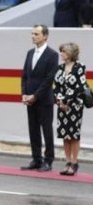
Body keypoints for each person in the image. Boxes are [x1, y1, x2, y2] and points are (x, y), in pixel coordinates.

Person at [21, 25, 58, 172]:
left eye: (36, 34)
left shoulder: (52, 55)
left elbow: (49, 80)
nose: (33, 36)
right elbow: (25, 76)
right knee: (33, 129)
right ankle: (36, 158)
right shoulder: (30, 53)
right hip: (30, 99)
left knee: (46, 130)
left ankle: (48, 160)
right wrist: (24, 93)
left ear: (45, 36)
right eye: (32, 33)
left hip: (44, 100)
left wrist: (35, 96)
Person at [53, 43, 86, 176]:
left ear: (71, 53)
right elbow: (56, 86)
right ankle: (67, 162)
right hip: (62, 106)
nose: (61, 54)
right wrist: (60, 101)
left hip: (75, 106)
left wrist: (67, 101)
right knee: (65, 135)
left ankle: (74, 162)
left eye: (64, 52)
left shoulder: (80, 67)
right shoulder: (59, 68)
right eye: (61, 51)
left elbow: (80, 87)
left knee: (74, 135)